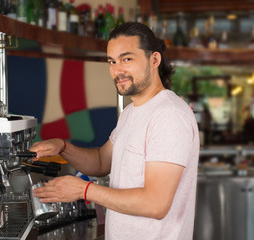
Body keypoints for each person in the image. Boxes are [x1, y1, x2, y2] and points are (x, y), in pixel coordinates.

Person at [29, 22, 200, 240]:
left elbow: (156, 204)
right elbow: (101, 162)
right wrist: (62, 146)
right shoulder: (131, 112)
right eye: (112, 61)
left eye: (127, 59)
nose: (117, 70)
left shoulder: (169, 115)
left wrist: (84, 190)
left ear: (154, 60)